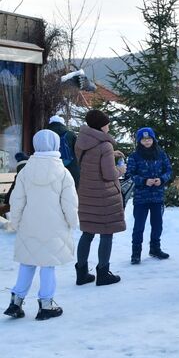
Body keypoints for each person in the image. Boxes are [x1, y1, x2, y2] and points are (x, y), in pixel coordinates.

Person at [4, 130, 79, 321]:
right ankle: (46, 304)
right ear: (56, 145)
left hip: (29, 224)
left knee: (27, 262)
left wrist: (16, 221)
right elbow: (69, 202)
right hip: (54, 227)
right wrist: (73, 222)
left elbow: (17, 199)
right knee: (48, 265)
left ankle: (16, 301)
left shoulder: (26, 171)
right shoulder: (63, 172)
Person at [74, 109, 127, 286]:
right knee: (106, 233)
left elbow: (91, 161)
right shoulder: (105, 145)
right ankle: (103, 273)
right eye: (107, 123)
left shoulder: (81, 141)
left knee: (87, 232)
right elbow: (108, 173)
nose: (109, 125)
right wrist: (120, 169)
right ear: (101, 125)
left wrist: (111, 156)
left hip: (87, 192)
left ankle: (81, 273)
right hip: (104, 196)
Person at [125, 127, 172, 264]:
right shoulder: (134, 156)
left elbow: (168, 170)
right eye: (144, 139)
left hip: (157, 196)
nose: (147, 142)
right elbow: (130, 175)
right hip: (141, 198)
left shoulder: (161, 154)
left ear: (153, 139)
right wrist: (144, 181)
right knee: (139, 226)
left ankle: (155, 248)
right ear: (139, 141)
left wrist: (162, 179)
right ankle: (136, 253)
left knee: (157, 225)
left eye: (149, 139)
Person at [47, 115, 80, 186]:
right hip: (70, 166)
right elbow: (77, 150)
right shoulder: (70, 134)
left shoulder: (45, 134)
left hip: (50, 167)